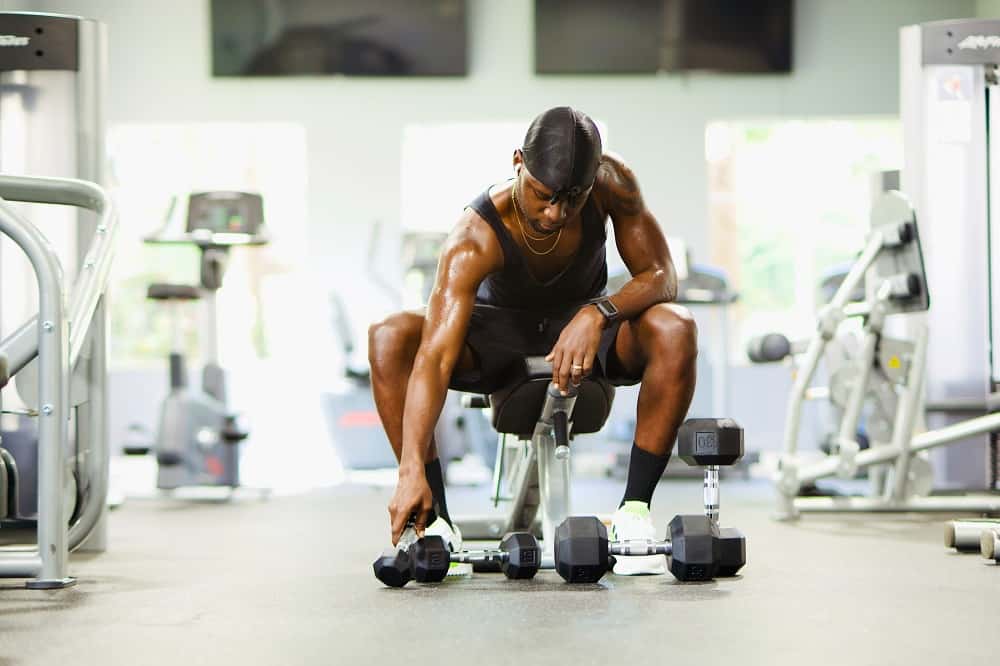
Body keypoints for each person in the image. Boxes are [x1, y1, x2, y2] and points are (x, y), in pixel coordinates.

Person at [368, 106, 696, 575]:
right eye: (543, 197)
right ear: (519, 161)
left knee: (675, 325)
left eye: (573, 200)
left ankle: (634, 512)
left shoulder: (613, 184)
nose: (555, 213)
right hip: (495, 339)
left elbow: (661, 275)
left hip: (587, 333)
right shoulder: (474, 235)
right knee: (389, 336)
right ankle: (435, 521)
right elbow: (437, 357)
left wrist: (597, 312)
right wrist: (409, 470)